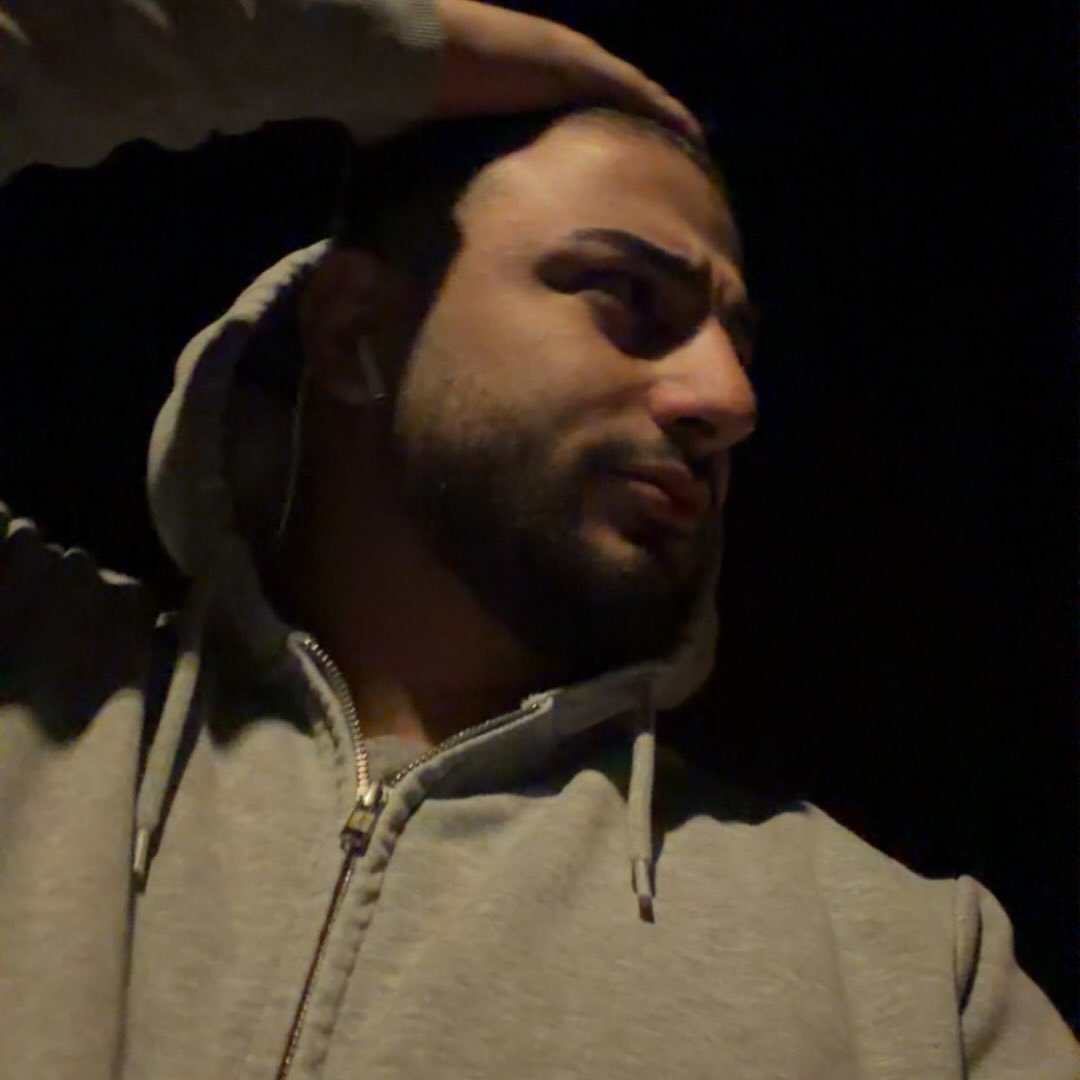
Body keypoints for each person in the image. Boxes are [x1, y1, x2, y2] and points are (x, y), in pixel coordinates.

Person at [0, 2, 1076, 1078]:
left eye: (738, 347)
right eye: (626, 295)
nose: (730, 399)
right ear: (355, 330)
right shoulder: (35, 689)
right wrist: (393, 48)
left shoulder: (913, 980)